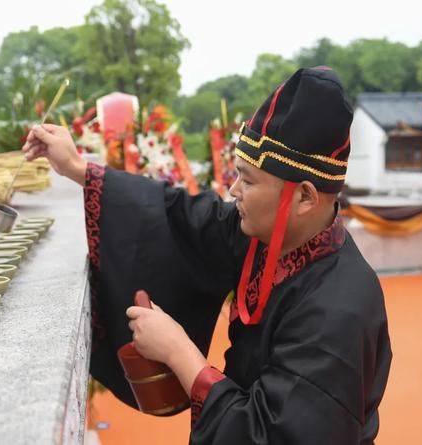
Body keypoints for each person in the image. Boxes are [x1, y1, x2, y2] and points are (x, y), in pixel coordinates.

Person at [22, 67, 392, 444]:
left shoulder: (339, 310)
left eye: (248, 180)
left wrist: (178, 351)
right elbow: (181, 216)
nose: (233, 191)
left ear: (305, 197)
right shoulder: (265, 236)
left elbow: (271, 435)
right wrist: (79, 168)